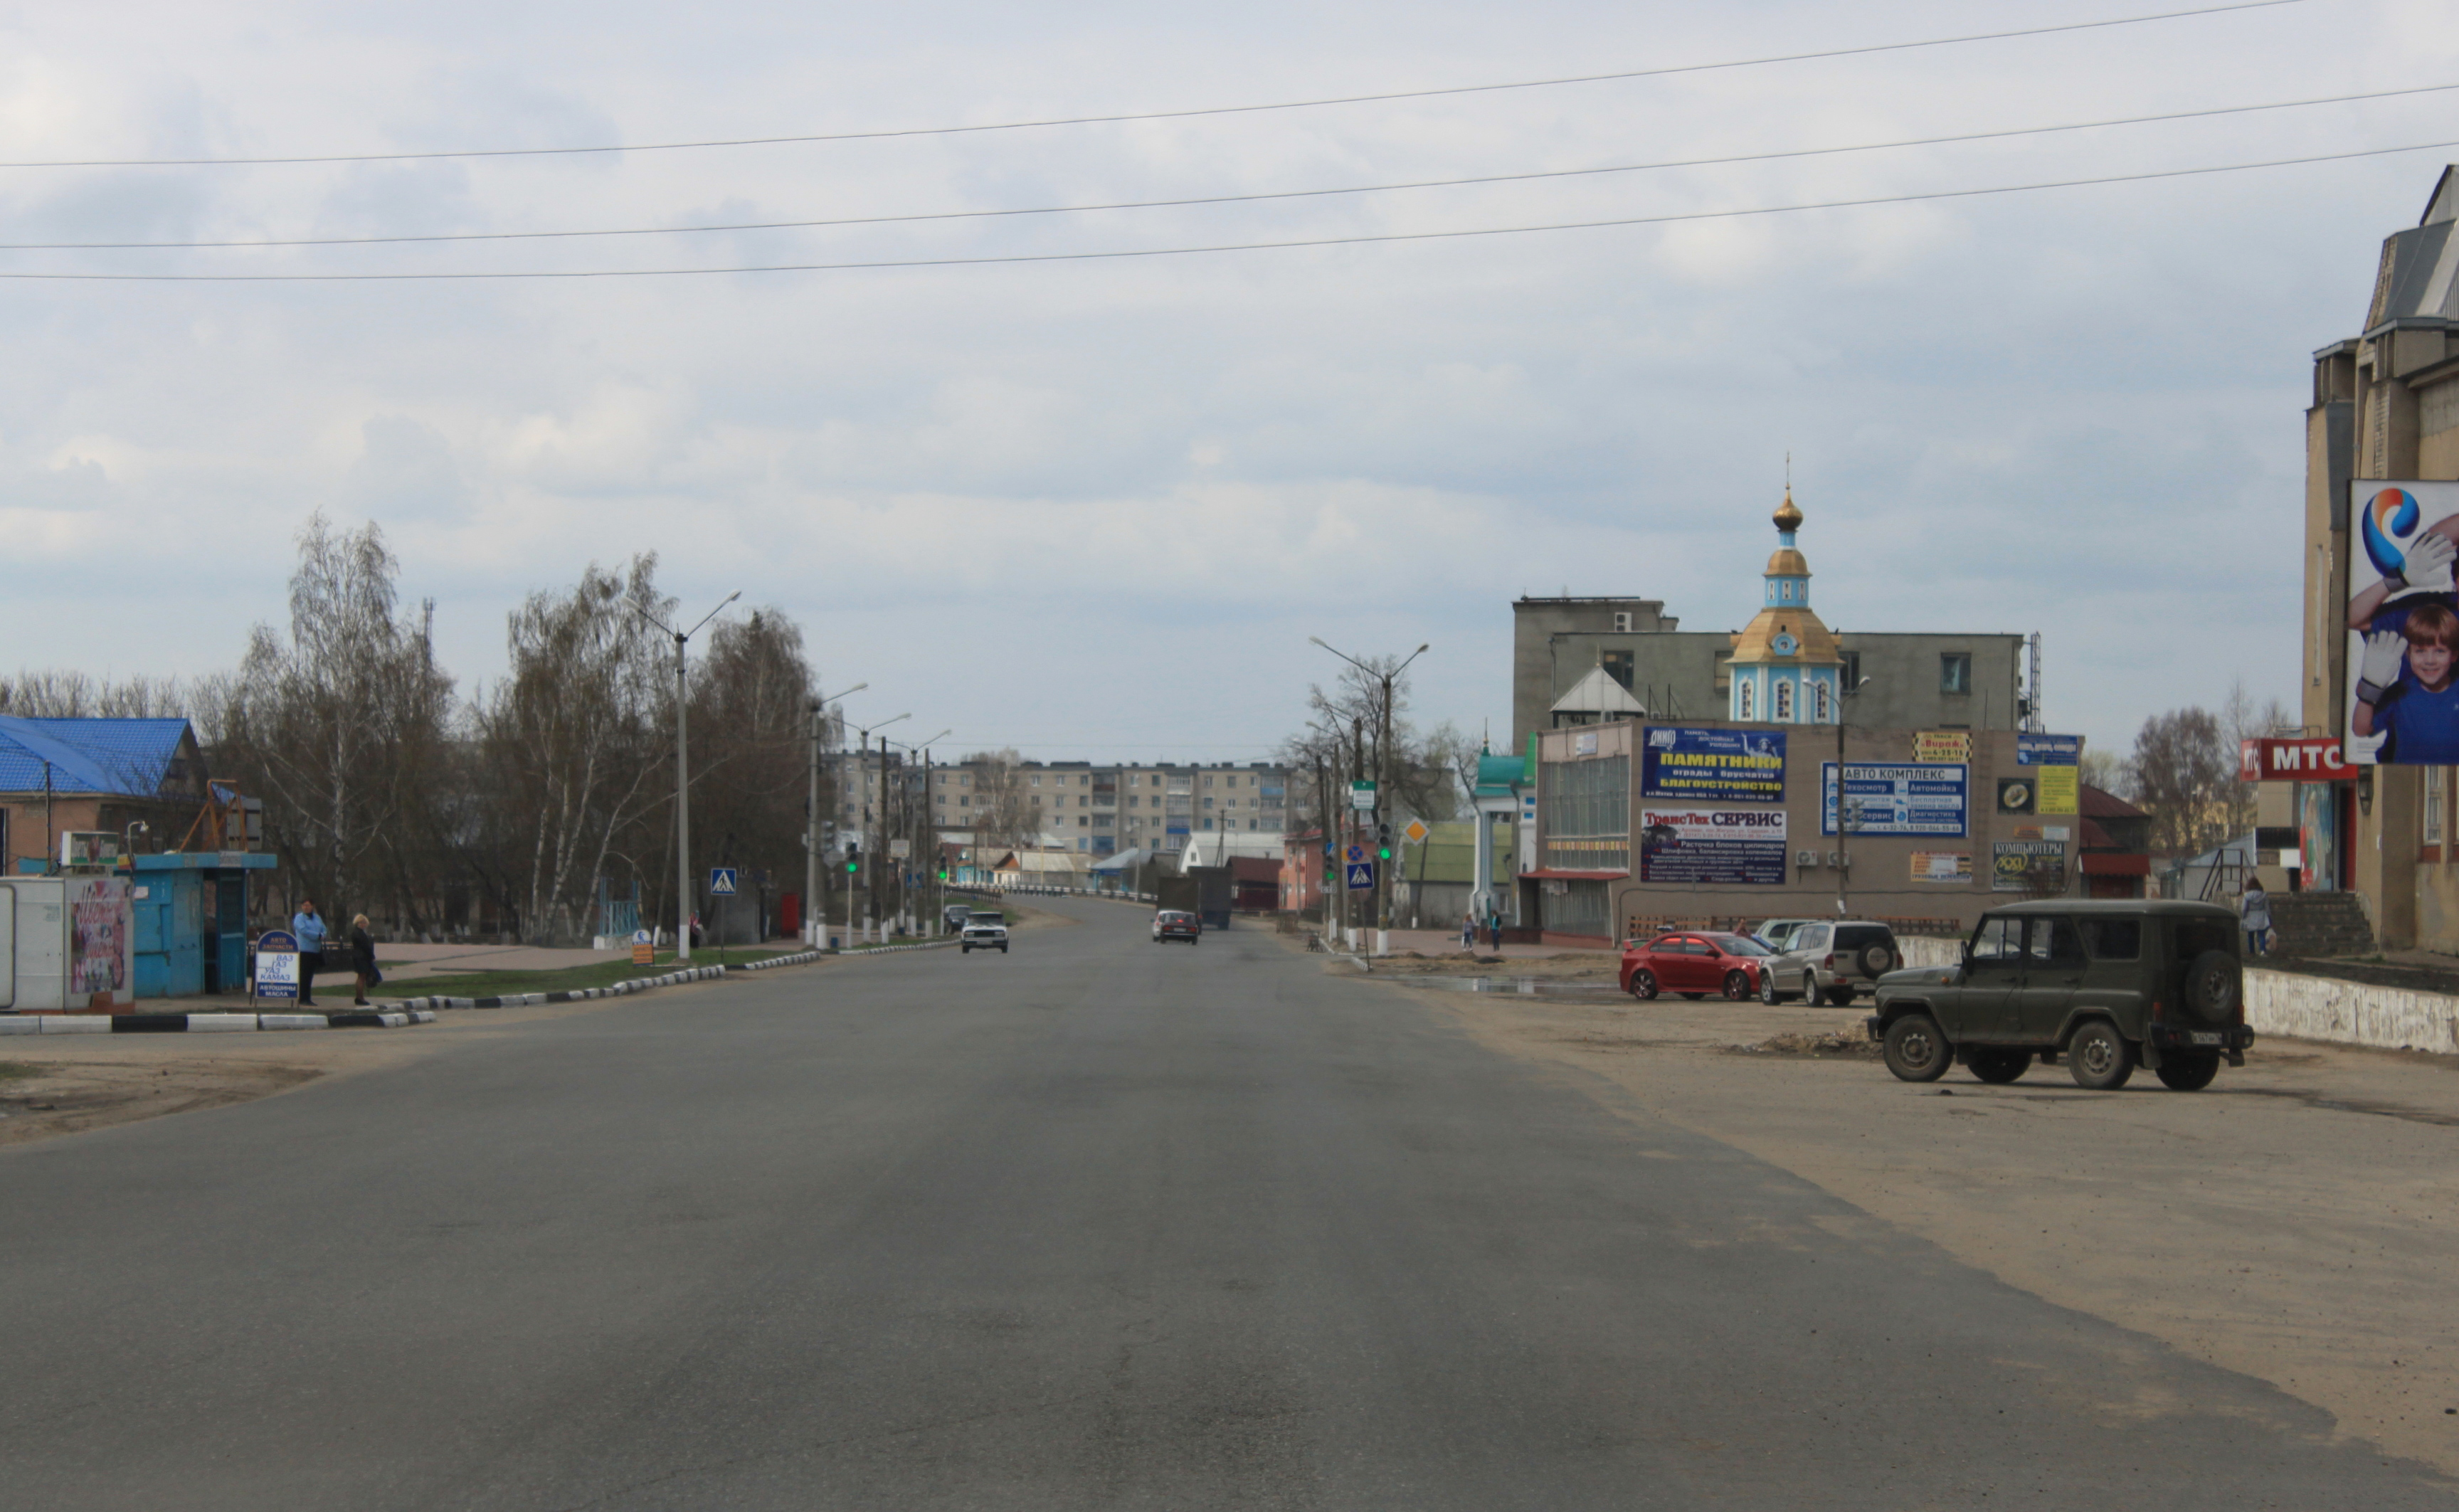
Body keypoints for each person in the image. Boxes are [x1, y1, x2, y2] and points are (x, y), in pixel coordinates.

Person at [2352, 603, 2459, 763]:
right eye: (2420, 651)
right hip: (2408, 776)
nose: (2430, 661)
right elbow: (2360, 730)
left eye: (2440, 651)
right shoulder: (2399, 692)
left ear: (2454, 656)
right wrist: (2370, 688)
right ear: (2408, 654)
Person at [291, 899, 326, 1006]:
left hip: (315, 950)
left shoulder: (317, 917)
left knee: (310, 975)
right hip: (304, 950)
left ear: (312, 906)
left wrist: (323, 935)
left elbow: (324, 929)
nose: (306, 907)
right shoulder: (299, 918)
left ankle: (308, 997)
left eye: (308, 905)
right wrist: (317, 936)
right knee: (304, 975)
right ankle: (303, 998)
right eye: (304, 905)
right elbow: (303, 931)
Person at [2241, 877, 2273, 958]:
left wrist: (2243, 916)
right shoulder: (2264, 895)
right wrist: (2269, 918)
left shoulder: (2247, 896)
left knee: (2250, 935)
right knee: (2261, 935)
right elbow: (2267, 908)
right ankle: (2263, 951)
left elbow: (2244, 908)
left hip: (2250, 915)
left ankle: (2252, 952)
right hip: (2261, 915)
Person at [349, 914, 377, 1005]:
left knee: (361, 977)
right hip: (361, 957)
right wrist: (372, 956)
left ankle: (360, 997)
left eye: (365, 923)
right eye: (361, 922)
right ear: (357, 923)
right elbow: (365, 947)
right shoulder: (359, 933)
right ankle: (360, 998)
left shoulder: (357, 932)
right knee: (362, 977)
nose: (363, 924)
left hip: (358, 956)